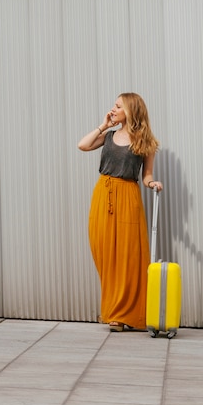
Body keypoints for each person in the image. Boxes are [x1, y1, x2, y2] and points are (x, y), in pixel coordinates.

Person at [78, 92, 163, 332]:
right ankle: (114, 307)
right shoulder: (108, 136)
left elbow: (146, 175)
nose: (113, 109)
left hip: (128, 196)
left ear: (130, 111)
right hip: (103, 195)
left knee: (127, 256)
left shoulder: (145, 142)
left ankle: (120, 315)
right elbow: (82, 145)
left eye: (117, 106)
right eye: (113, 106)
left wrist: (152, 183)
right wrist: (104, 125)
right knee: (103, 253)